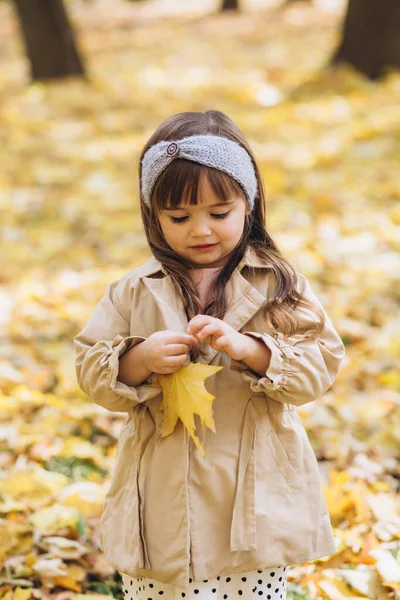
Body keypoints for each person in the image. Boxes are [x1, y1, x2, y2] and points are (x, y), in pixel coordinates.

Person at [74, 110, 346, 600]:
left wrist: (250, 349)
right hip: (161, 498)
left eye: (219, 213)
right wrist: (138, 360)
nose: (200, 230)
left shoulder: (278, 285)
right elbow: (91, 367)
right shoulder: (134, 290)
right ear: (153, 216)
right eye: (179, 217)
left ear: (249, 204)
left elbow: (319, 363)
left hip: (250, 498)